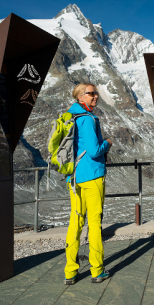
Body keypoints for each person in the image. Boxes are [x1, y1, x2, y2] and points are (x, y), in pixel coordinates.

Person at [64, 83, 113, 285]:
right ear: (80, 96)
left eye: (96, 93)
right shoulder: (87, 119)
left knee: (75, 222)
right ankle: (97, 270)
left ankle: (70, 272)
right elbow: (94, 151)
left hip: (73, 178)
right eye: (91, 94)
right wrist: (108, 143)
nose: (95, 97)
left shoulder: (70, 116)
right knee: (94, 223)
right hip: (92, 176)